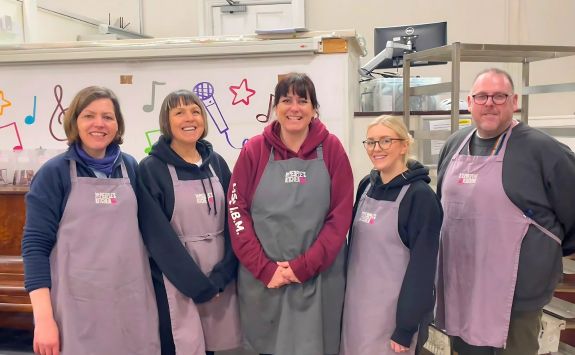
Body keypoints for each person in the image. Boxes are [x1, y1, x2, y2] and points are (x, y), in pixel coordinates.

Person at [435, 68, 575, 355]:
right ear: (470, 103)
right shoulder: (454, 145)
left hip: (515, 296)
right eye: (482, 96)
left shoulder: (542, 150)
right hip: (463, 286)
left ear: (514, 102)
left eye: (499, 96)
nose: (490, 103)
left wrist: (541, 257)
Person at [22, 86, 160, 355]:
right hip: (76, 308)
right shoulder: (54, 173)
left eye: (108, 117)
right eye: (89, 116)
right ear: (74, 122)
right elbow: (35, 247)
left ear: (117, 124)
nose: (99, 123)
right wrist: (43, 320)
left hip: (131, 303)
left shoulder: (131, 167)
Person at [227, 72, 353, 355]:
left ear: (314, 109)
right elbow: (237, 211)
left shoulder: (332, 150)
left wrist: (303, 267)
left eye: (302, 101)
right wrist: (265, 268)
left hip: (318, 279)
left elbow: (340, 216)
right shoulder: (254, 151)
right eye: (286, 100)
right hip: (266, 281)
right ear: (275, 107)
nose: (294, 108)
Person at [137, 90, 241, 355]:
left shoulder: (216, 163)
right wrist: (197, 285)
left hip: (218, 278)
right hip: (177, 281)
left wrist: (221, 276)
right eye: (179, 112)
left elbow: (236, 220)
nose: (189, 118)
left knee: (211, 348)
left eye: (195, 111)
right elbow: (158, 237)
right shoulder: (151, 169)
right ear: (166, 121)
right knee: (182, 346)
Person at [339, 115, 442, 355]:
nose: (377, 149)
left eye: (386, 141)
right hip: (356, 311)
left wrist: (405, 328)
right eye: (371, 142)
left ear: (404, 145)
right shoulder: (366, 186)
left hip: (392, 318)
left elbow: (423, 269)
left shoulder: (420, 197)